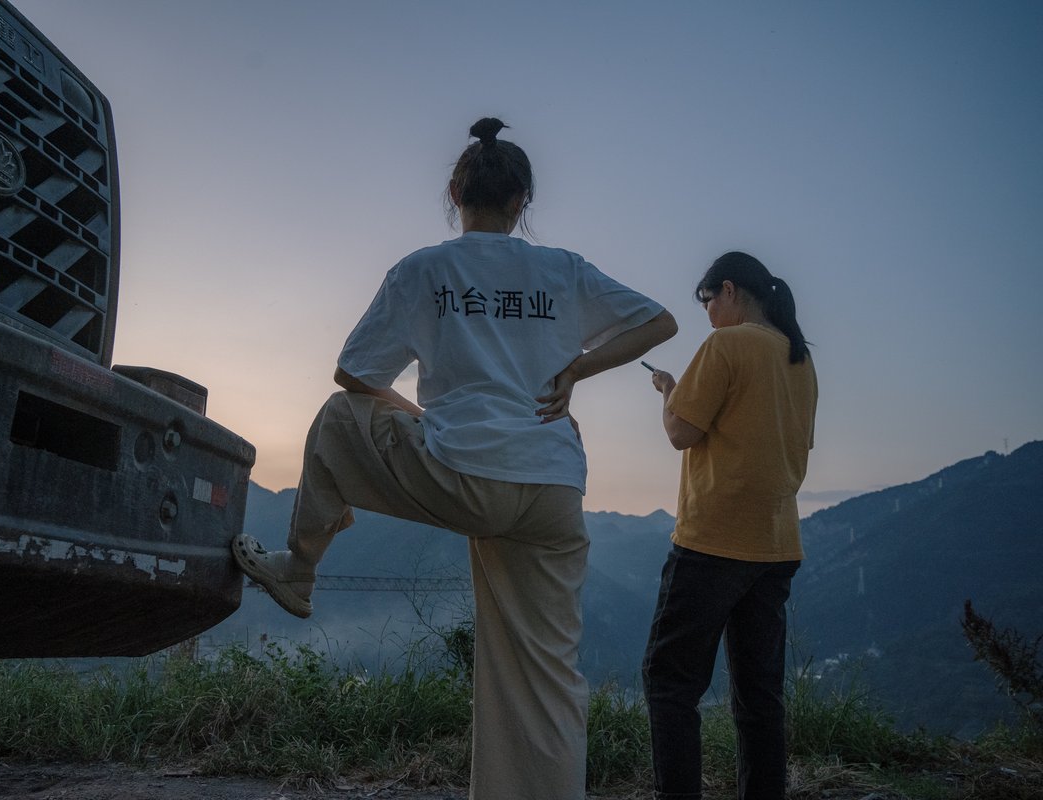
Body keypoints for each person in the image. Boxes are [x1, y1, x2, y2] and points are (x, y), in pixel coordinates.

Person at [232, 117, 677, 800]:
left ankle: (299, 568)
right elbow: (659, 321)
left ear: (454, 194)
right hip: (554, 487)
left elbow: (353, 376)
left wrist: (420, 414)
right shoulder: (561, 269)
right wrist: (575, 373)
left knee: (334, 420)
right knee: (546, 678)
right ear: (522, 200)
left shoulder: (425, 270)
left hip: (463, 473)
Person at [642, 251, 818, 800]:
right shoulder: (800, 360)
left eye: (708, 302)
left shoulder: (727, 344)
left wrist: (669, 392)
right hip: (776, 543)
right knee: (759, 695)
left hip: (714, 541)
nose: (708, 315)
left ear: (729, 291)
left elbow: (681, 433)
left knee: (670, 684)